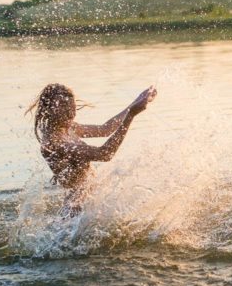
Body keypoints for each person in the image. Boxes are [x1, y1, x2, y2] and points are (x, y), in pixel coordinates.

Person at [26, 83, 157, 216]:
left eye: (73, 108)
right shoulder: (53, 143)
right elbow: (105, 154)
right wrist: (131, 116)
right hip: (75, 212)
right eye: (64, 109)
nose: (71, 114)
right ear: (49, 109)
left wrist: (136, 101)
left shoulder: (68, 128)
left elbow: (105, 129)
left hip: (89, 204)